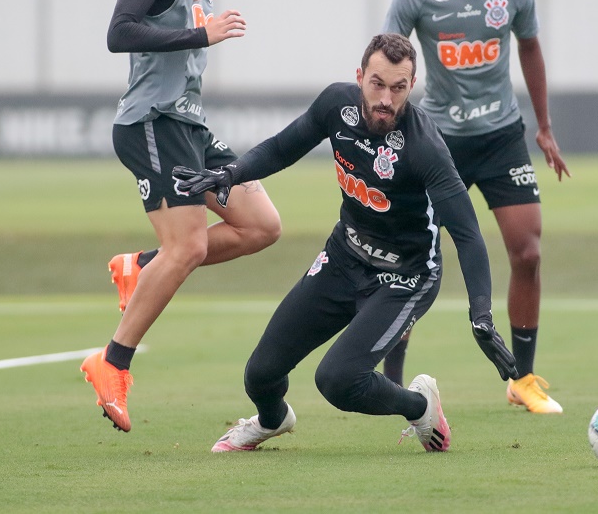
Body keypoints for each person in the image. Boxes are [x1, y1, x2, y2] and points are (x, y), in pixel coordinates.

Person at [173, 33, 517, 453]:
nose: (386, 99)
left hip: (407, 275)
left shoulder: (424, 145)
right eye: (377, 84)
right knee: (260, 374)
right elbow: (284, 147)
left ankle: (420, 405)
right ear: (360, 78)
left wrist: (480, 313)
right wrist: (231, 174)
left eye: (398, 88)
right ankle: (272, 421)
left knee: (336, 380)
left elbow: (467, 232)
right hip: (344, 256)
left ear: (411, 88)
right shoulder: (337, 105)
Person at [80, 0, 281, 433]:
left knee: (261, 225)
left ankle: (139, 266)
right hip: (151, 122)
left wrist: (203, 30)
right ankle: (111, 363)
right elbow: (119, 32)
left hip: (189, 124)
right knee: (189, 246)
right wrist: (202, 32)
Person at [381, 0, 570, 413]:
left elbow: (530, 48)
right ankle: (392, 380)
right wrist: (386, 129)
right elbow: (388, 62)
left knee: (528, 252)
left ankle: (522, 379)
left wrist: (545, 128)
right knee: (409, 255)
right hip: (437, 141)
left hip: (501, 135)